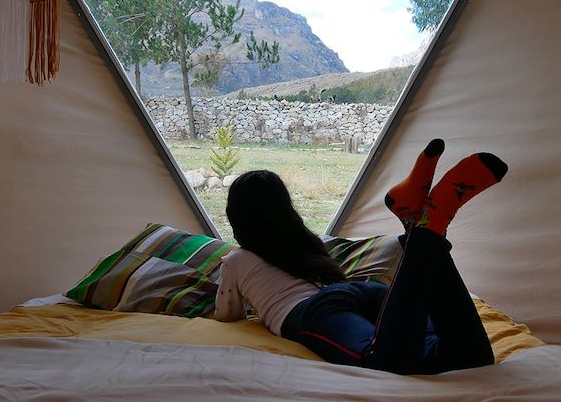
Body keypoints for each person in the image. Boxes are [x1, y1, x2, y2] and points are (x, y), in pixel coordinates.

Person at [214, 139, 507, 375]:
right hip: (365, 293)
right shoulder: (307, 241)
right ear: (286, 208)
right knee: (468, 357)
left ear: (235, 216)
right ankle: (418, 220)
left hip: (317, 311)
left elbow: (228, 316)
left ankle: (431, 223)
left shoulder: (237, 260)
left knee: (385, 363)